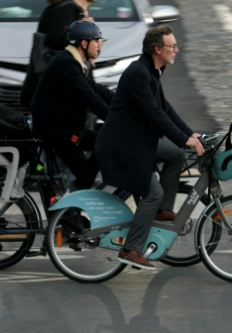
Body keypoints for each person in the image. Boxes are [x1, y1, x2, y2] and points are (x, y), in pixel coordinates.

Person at [95, 25, 204, 270]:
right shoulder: (138, 73)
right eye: (172, 46)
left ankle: (161, 210)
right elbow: (154, 113)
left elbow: (165, 108)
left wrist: (189, 134)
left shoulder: (152, 70)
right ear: (157, 49)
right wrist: (182, 138)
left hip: (138, 142)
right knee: (152, 193)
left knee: (176, 155)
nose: (177, 49)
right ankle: (130, 249)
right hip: (123, 147)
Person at [31, 21, 113, 190]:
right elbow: (89, 97)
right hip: (59, 133)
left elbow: (96, 89)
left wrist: (124, 102)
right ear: (84, 43)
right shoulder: (66, 63)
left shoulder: (71, 62)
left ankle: (69, 212)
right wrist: (116, 119)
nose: (99, 45)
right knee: (106, 142)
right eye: (96, 41)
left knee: (85, 177)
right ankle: (69, 208)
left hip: (62, 130)